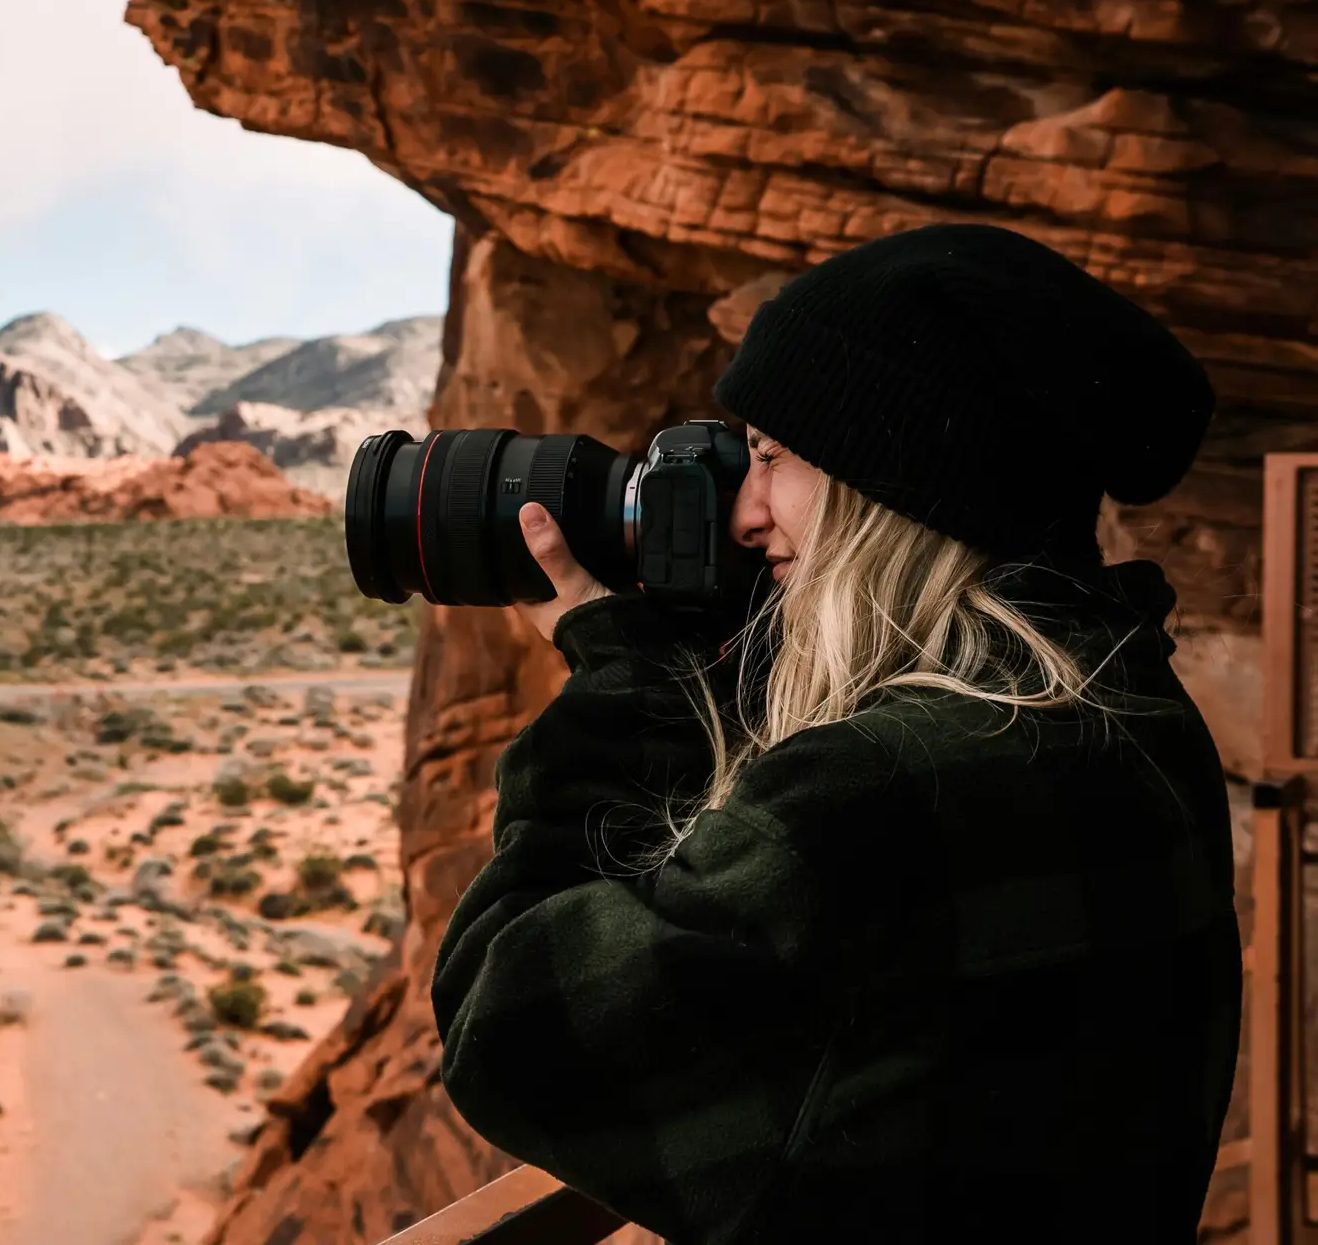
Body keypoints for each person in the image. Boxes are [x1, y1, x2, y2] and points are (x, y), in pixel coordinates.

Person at [430, 222, 1240, 1243]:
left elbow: (510, 1030)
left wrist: (630, 693)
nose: (745, 513)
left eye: (771, 457)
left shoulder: (876, 788)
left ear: (889, 490)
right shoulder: (1136, 714)